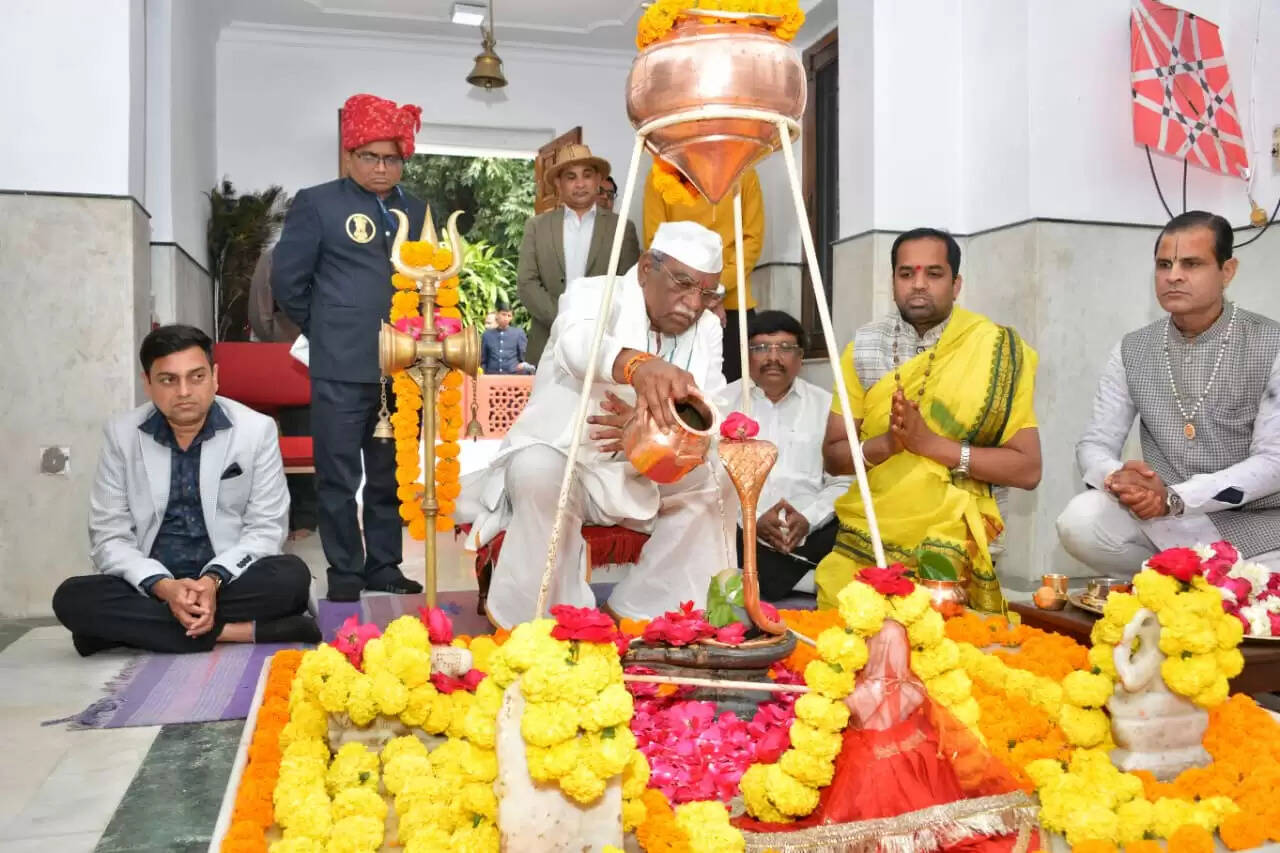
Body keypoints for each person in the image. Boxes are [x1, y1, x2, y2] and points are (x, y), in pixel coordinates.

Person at [459, 221, 735, 629]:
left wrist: (646, 434)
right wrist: (640, 366)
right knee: (537, 473)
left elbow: (714, 405)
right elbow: (577, 347)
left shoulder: (707, 327)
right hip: (566, 458)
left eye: (707, 293)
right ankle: (541, 623)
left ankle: (650, 609)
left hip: (646, 470)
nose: (694, 303)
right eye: (683, 284)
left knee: (718, 476)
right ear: (646, 269)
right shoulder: (594, 293)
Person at [51, 325, 319, 656]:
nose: (184, 391)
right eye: (168, 380)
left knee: (291, 578)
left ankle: (126, 632)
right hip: (154, 585)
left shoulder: (255, 430)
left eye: (196, 377)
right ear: (147, 383)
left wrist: (211, 581)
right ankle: (234, 631)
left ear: (215, 377)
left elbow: (266, 530)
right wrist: (164, 587)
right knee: (71, 598)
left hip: (228, 581)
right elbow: (109, 536)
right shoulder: (121, 435)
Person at [818, 229, 1042, 612]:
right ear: (893, 282)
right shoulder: (863, 349)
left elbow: (1027, 469)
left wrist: (932, 446)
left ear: (956, 285)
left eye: (934, 274)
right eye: (906, 273)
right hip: (871, 531)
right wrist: (889, 444)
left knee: (938, 629)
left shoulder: (996, 350)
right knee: (844, 625)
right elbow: (834, 457)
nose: (919, 284)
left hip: (958, 534)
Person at [1058, 210, 1280, 573]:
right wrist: (1119, 480)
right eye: (1164, 265)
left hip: (1256, 527)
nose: (1173, 275)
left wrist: (1177, 498)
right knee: (1080, 521)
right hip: (1165, 522)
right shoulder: (1133, 349)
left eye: (1191, 264)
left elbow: (1274, 461)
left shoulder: (1271, 343)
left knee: (1261, 587)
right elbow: (1095, 443)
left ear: (1227, 271)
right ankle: (1173, 579)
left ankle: (1185, 581)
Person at [271, 93, 426, 601]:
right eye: (370, 157)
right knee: (338, 476)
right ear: (350, 155)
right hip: (339, 366)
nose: (381, 168)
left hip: (402, 368)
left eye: (391, 159)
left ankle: (384, 566)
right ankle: (345, 572)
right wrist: (328, 329)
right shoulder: (318, 202)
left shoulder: (416, 209)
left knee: (389, 475)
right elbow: (288, 280)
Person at [715, 310, 850, 601]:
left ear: (800, 357)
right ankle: (808, 580)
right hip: (741, 528)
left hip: (810, 531)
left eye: (785, 348)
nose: (773, 358)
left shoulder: (827, 406)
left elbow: (842, 480)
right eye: (761, 348)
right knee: (711, 532)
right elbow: (711, 481)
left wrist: (809, 518)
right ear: (746, 355)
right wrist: (751, 520)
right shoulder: (721, 404)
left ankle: (762, 578)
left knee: (853, 526)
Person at [518, 144, 641, 364]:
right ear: (558, 183)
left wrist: (593, 322)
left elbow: (629, 286)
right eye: (571, 177)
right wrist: (564, 318)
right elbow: (527, 284)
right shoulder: (537, 227)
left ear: (598, 180)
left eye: (587, 175)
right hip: (548, 341)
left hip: (604, 344)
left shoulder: (622, 228)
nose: (580, 184)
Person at [644, 165, 763, 383]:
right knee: (671, 387)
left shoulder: (743, 170)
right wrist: (696, 290)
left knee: (735, 391)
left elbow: (752, 239)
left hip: (733, 305)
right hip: (675, 304)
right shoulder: (662, 173)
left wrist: (714, 290)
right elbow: (656, 242)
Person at [248, 245, 318, 539]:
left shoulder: (341, 249)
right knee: (299, 431)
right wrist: (277, 345)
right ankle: (303, 516)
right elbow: (260, 312)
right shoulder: (276, 255)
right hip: (291, 355)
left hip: (338, 353)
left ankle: (331, 512)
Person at [480, 295, 534, 375]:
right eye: (503, 314)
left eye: (509, 316)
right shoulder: (487, 335)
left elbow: (524, 358)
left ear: (511, 318)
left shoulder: (518, 333)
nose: (506, 318)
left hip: (513, 377)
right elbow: (483, 360)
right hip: (492, 377)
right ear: (497, 314)